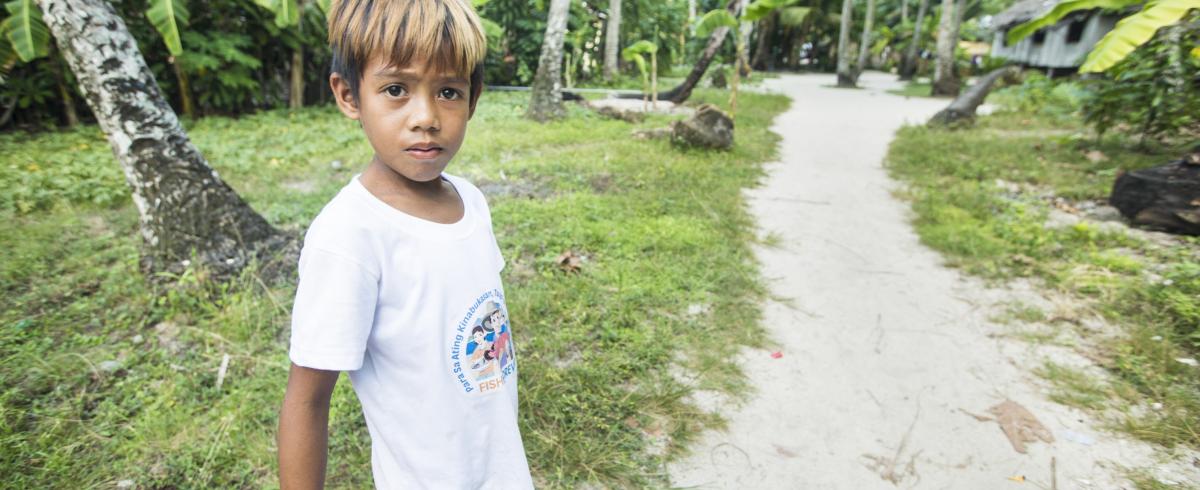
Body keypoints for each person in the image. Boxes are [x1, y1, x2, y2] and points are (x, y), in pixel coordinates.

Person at [276, 1, 533, 488]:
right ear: (349, 95)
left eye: (449, 91)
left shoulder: (472, 202)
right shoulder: (349, 237)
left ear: (473, 98)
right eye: (396, 89)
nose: (426, 117)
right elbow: (307, 400)